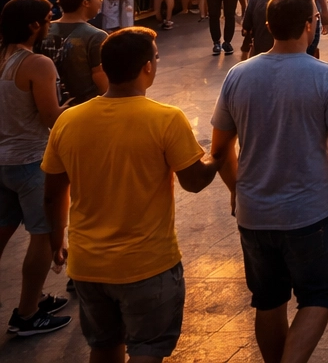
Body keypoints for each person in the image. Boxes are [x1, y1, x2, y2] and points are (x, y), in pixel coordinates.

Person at [42, 26, 226, 362]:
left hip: (87, 265)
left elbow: (53, 193)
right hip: (147, 265)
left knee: (103, 347)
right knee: (147, 350)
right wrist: (217, 156)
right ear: (147, 67)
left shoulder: (68, 120)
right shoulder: (165, 118)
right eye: (156, 57)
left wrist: (57, 240)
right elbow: (194, 182)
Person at [210, 0, 328, 363]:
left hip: (254, 214)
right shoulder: (326, 77)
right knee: (318, 295)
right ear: (309, 26)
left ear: (269, 25)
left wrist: (236, 189)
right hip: (309, 213)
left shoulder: (238, 75)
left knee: (268, 300)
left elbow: (219, 150)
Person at [0, 0, 70, 335]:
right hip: (31, 160)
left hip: (3, 160)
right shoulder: (37, 63)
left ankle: (36, 298)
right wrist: (71, 107)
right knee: (42, 236)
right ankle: (27, 314)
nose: (50, 24)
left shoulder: (3, 58)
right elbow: (50, 117)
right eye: (47, 19)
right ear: (33, 25)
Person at [42, 0, 108, 105]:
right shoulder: (96, 36)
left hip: (48, 104)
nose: (101, 0)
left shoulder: (45, 30)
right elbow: (100, 76)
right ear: (85, 3)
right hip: (84, 106)